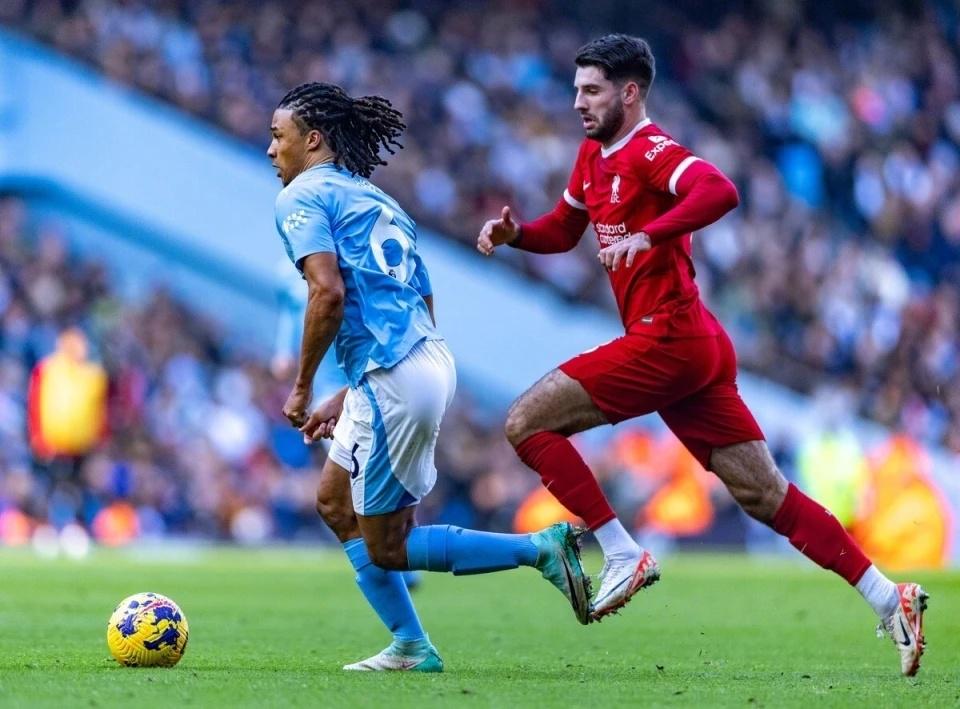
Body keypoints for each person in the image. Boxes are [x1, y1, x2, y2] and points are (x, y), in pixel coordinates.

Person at [477, 34, 928, 677]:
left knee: (526, 422)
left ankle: (620, 551)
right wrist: (518, 234)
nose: (578, 102)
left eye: (592, 91)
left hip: (667, 337)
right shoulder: (591, 155)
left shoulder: (650, 150)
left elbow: (720, 190)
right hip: (693, 345)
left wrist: (648, 235)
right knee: (764, 494)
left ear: (630, 93)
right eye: (576, 90)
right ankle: (890, 598)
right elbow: (565, 229)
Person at [268, 82, 592, 673]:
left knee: (389, 546)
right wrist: (355, 389)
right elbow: (422, 299)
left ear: (312, 141)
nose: (271, 150)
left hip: (395, 375)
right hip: (417, 359)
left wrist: (303, 386)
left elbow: (327, 292)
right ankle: (411, 646)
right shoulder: (379, 200)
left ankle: (538, 549)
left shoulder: (302, 196)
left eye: (278, 136)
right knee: (334, 503)